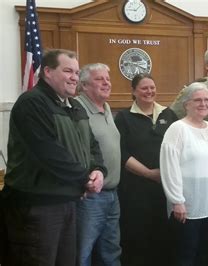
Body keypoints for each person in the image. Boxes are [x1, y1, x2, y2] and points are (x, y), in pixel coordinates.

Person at [1, 49, 106, 265]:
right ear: (47, 72)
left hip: (68, 201)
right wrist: (84, 179)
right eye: (67, 71)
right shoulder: (32, 103)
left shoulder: (75, 106)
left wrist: (98, 170)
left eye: (76, 72)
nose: (74, 77)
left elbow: (92, 146)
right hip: (37, 206)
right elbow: (48, 152)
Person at [115, 73, 178, 266]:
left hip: (164, 189)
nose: (149, 91)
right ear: (134, 92)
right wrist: (149, 174)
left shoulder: (168, 114)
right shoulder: (124, 118)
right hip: (135, 189)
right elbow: (122, 154)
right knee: (137, 239)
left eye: (152, 87)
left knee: (163, 238)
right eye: (144, 88)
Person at [160, 83, 208, 266]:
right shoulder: (177, 128)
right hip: (188, 206)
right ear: (186, 104)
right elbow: (169, 167)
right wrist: (177, 200)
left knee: (204, 255)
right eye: (197, 100)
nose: (203, 104)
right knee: (185, 256)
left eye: (206, 100)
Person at [75, 63, 121, 265]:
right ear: (84, 85)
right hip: (90, 196)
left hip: (112, 193)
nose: (106, 83)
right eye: (99, 79)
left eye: (108, 79)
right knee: (83, 252)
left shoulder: (107, 108)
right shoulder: (76, 109)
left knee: (110, 251)